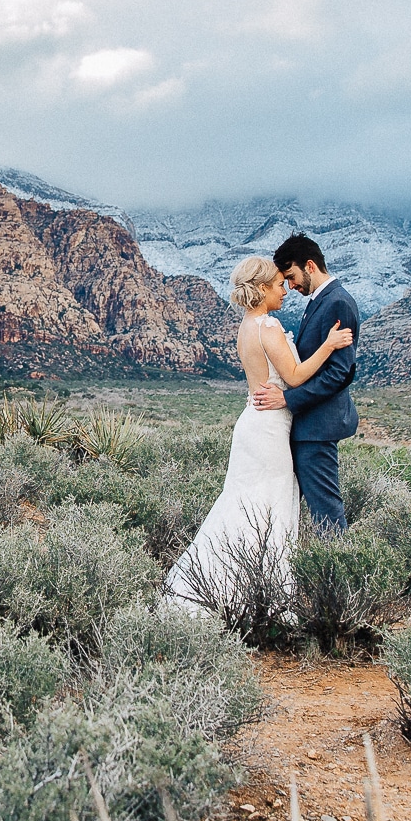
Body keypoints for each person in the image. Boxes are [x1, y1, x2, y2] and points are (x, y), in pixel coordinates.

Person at [163, 253, 354, 609]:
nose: (285, 291)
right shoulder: (268, 326)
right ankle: (266, 594)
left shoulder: (246, 326)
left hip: (254, 421)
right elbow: (294, 377)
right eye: (280, 285)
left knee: (244, 502)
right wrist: (329, 345)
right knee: (270, 503)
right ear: (263, 288)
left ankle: (229, 584)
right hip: (269, 428)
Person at [248, 234, 360, 530]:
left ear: (309, 266)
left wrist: (288, 399)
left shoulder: (338, 303)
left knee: (325, 509)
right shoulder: (319, 302)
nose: (290, 286)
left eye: (291, 277)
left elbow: (339, 373)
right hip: (306, 424)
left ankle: (338, 559)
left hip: (319, 426)